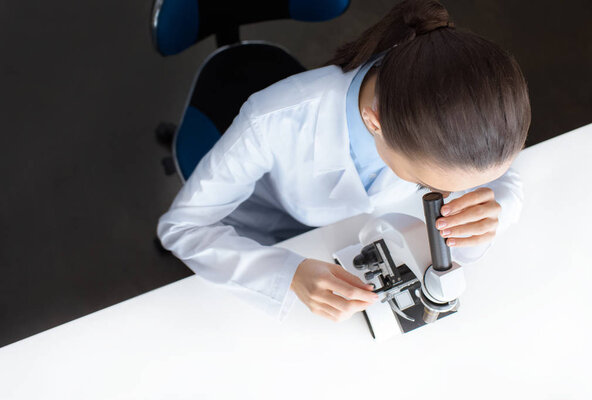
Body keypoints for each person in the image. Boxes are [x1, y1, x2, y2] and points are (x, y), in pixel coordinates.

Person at [157, 0, 531, 323]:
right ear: (375, 121)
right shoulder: (272, 120)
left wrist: (499, 204)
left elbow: (500, 173)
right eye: (425, 185)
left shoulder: (445, 96)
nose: (452, 195)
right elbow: (182, 228)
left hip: (349, 229)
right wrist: (288, 274)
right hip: (273, 221)